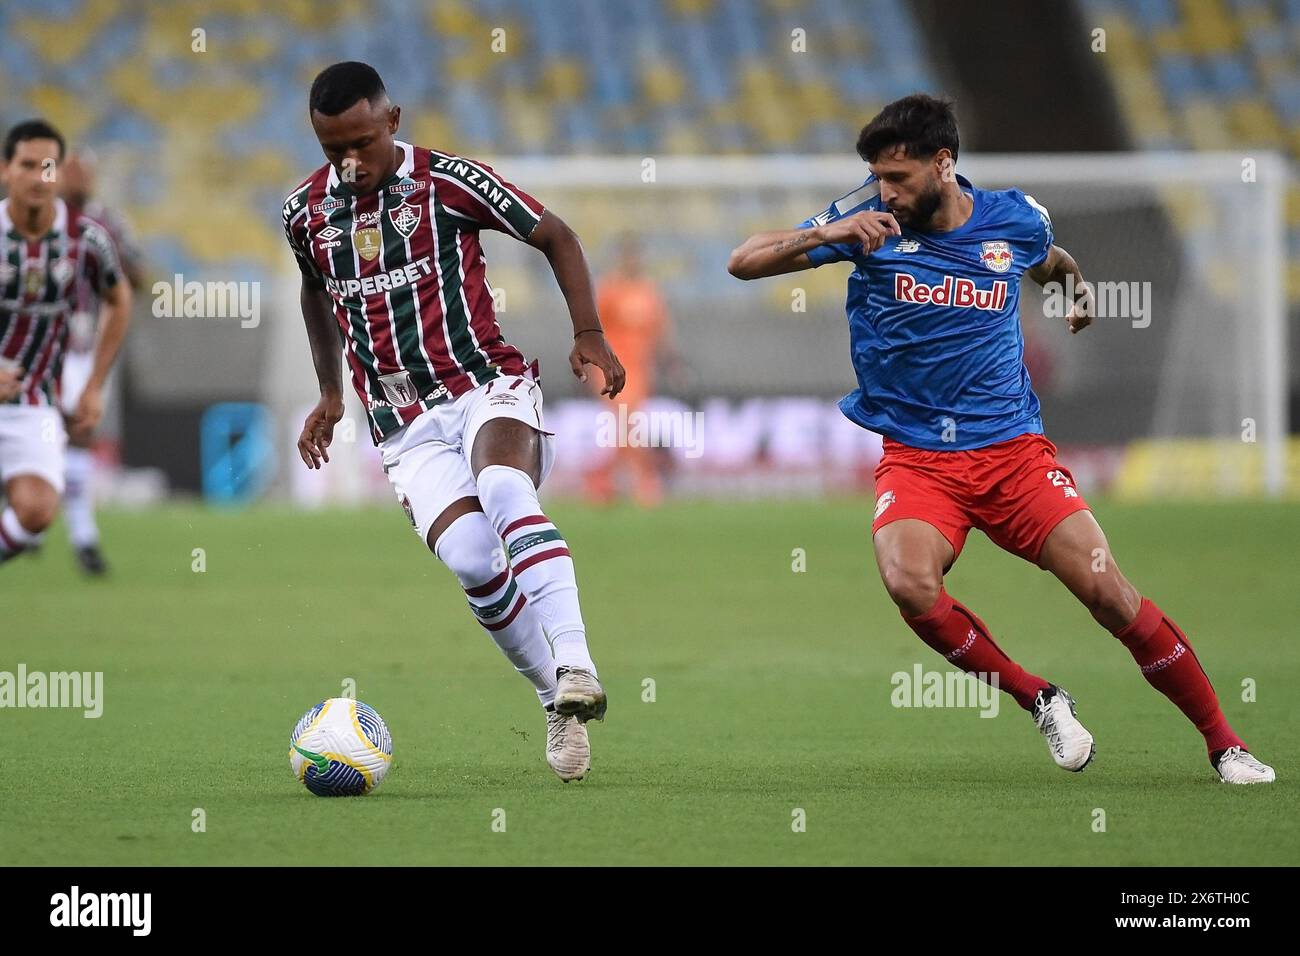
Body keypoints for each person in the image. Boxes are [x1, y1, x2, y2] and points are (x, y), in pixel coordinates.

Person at [728, 94, 1273, 784]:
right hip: (918, 458)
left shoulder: (1013, 219)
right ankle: (1039, 697)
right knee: (908, 582)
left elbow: (1047, 259)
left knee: (1109, 594)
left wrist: (1075, 288)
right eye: (876, 178)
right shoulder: (860, 219)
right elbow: (742, 262)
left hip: (1012, 454)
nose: (884, 192)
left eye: (898, 178)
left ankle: (1226, 744)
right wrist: (823, 237)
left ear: (943, 164)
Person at [282, 62, 625, 782]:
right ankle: (553, 700)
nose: (349, 161)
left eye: (361, 142)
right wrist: (331, 390)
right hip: (401, 422)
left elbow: (555, 233)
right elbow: (316, 294)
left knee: (504, 489)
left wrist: (588, 330)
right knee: (472, 559)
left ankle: (577, 663)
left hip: (484, 385)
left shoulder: (448, 182)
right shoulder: (304, 213)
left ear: (393, 121)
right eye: (331, 148)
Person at [0, 120, 132, 570]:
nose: (40, 177)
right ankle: (85, 539)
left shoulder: (90, 234)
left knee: (36, 511)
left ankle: (82, 537)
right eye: (28, 165)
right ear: (5, 170)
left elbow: (122, 295)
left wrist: (95, 383)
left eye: (50, 167)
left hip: (36, 394)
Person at [57, 147, 146, 575]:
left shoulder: (104, 222)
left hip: (90, 349)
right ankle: (52, 526)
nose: (77, 177)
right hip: (38, 346)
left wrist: (112, 256)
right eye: (68, 169)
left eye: (82, 170)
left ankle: (80, 535)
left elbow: (140, 278)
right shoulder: (36, 220)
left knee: (79, 433)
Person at [589, 233, 675, 505]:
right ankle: (644, 482)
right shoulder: (609, 289)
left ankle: (600, 482)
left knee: (628, 426)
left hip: (640, 370)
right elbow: (592, 328)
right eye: (628, 256)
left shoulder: (649, 291)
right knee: (628, 423)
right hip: (611, 369)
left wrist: (671, 363)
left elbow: (661, 331)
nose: (633, 261)